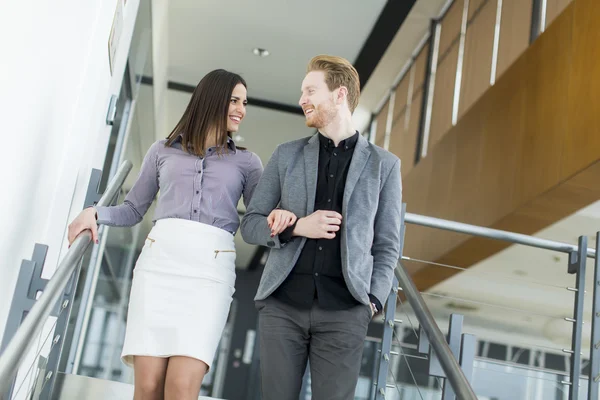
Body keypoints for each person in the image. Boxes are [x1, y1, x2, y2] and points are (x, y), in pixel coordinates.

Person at [67, 69, 294, 400]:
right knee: (147, 387)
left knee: (181, 388)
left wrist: (282, 219)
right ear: (211, 99)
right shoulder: (162, 151)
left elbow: (258, 220)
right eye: (234, 100)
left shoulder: (247, 163)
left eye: (244, 102)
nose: (241, 109)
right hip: (159, 267)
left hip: (209, 275)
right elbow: (133, 210)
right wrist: (95, 213)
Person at [240, 55, 403, 400]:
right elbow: (251, 224)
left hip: (346, 311)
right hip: (282, 306)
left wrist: (372, 299)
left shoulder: (384, 166)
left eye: (310, 91)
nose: (302, 100)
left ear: (339, 95)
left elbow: (387, 244)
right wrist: (296, 227)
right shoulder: (287, 155)